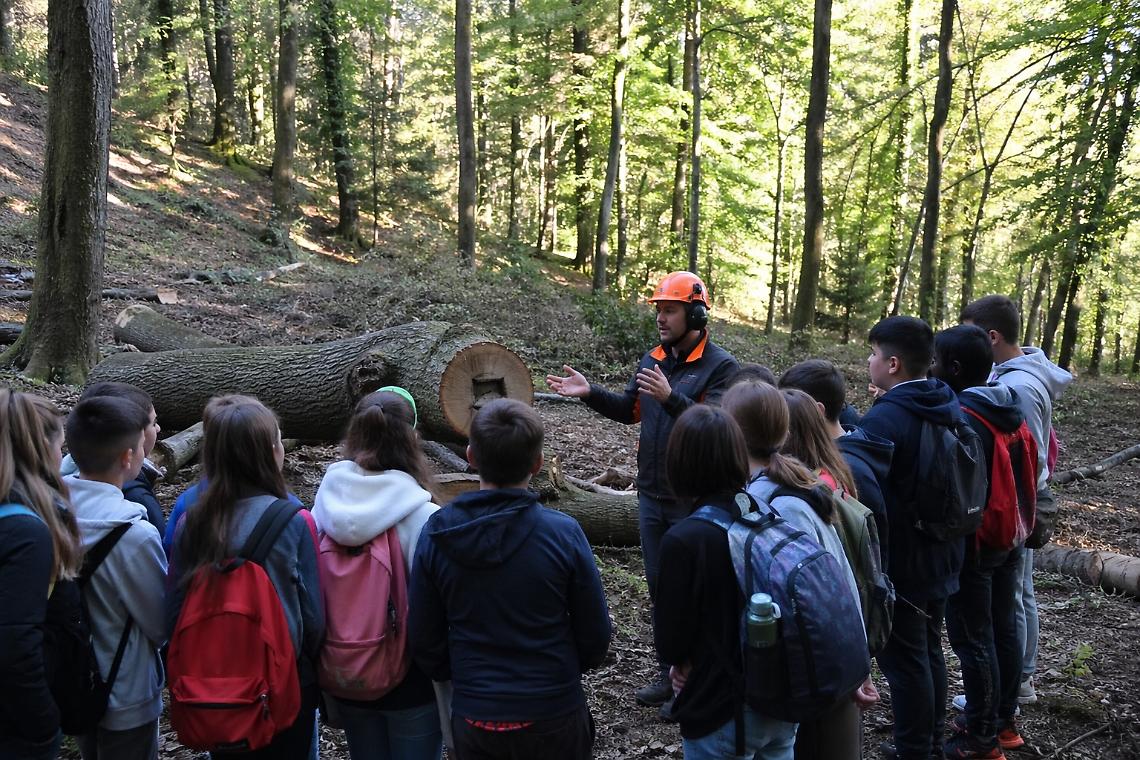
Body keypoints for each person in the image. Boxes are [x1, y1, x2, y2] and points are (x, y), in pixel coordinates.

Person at [545, 271, 739, 707]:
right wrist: (589, 392)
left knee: (700, 591)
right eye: (659, 309)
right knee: (663, 588)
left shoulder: (721, 367)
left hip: (697, 500)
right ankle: (669, 672)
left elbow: (719, 429)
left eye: (670, 309)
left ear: (697, 313)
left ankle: (705, 679)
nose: (661, 318)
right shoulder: (652, 358)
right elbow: (629, 409)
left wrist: (673, 398)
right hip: (651, 495)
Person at [409, 399, 611, 760]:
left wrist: (467, 677)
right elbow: (595, 634)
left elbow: (425, 636)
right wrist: (559, 672)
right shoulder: (562, 533)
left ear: (471, 456)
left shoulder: (438, 532)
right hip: (554, 712)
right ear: (537, 463)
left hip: (477, 715)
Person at [723, 381, 876, 760]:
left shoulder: (776, 502)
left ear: (730, 436)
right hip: (821, 665)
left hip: (815, 672)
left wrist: (857, 666)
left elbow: (834, 581)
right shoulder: (788, 484)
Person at [166, 395, 324, 759]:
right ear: (271, 452)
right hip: (284, 685)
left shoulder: (192, 524)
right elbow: (313, 617)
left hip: (212, 686)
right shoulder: (296, 521)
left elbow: (175, 607)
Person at [652, 403, 800, 759]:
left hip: (720, 709)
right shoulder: (766, 513)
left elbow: (671, 642)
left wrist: (680, 663)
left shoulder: (685, 540)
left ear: (679, 462)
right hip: (780, 700)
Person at [312, 388, 445, 760]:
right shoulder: (424, 517)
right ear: (412, 438)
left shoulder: (323, 506)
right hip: (411, 683)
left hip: (345, 671)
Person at [856, 316, 968, 760]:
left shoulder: (888, 417)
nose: (869, 361)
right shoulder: (941, 399)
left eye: (874, 354)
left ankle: (914, 748)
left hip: (907, 559)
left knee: (904, 661)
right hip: (944, 550)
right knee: (929, 649)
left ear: (894, 364)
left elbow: (869, 486)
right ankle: (928, 742)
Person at [960, 295, 1072, 706]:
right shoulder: (1011, 376)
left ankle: (1017, 682)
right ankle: (1015, 680)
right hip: (1022, 494)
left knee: (1015, 594)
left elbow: (1023, 451)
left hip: (1018, 496)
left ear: (991, 336)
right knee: (1018, 589)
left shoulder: (1017, 386)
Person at [932, 325, 1036, 759]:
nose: (931, 368)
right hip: (1012, 534)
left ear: (953, 368)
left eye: (936, 361)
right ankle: (1003, 723)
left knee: (975, 639)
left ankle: (981, 738)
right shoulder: (1008, 407)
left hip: (976, 544)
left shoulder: (963, 418)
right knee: (1002, 628)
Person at [63, 397, 169, 760]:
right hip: (126, 691)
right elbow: (158, 622)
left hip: (71, 678)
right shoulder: (135, 534)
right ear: (128, 458)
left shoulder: (48, 514)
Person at [0, 390, 83, 760]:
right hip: (14, 728)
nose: (61, 455)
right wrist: (42, 723)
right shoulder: (26, 532)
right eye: (59, 445)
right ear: (40, 449)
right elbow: (15, 642)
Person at [778, 359, 894, 549]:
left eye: (788, 408)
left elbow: (870, 548)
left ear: (817, 410)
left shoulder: (851, 471)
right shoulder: (830, 454)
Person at [61, 382, 165, 533]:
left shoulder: (57, 490)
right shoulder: (136, 499)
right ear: (134, 428)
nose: (158, 428)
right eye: (153, 422)